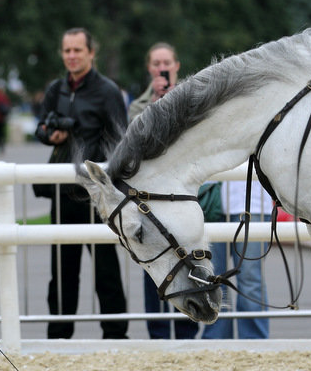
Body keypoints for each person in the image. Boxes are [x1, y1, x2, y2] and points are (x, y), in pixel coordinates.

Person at [34, 27, 128, 339]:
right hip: (62, 191)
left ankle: (116, 334)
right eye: (67, 51)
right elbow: (41, 128)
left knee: (106, 269)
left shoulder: (107, 91)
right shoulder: (55, 89)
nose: (71, 56)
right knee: (62, 271)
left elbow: (120, 142)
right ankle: (59, 335)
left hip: (96, 193)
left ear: (91, 53)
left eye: (77, 50)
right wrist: (52, 134)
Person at [128, 42, 199, 339]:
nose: (162, 68)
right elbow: (136, 145)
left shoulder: (190, 99)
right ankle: (157, 330)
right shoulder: (137, 106)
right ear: (149, 68)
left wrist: (173, 101)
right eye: (156, 63)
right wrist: (156, 104)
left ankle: (188, 323)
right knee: (155, 261)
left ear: (176, 66)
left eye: (166, 62)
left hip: (182, 192)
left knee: (188, 258)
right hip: (152, 198)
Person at [202, 181, 273, 339]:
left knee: (250, 279)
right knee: (213, 279)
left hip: (251, 203)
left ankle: (254, 339)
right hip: (213, 202)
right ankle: (217, 337)